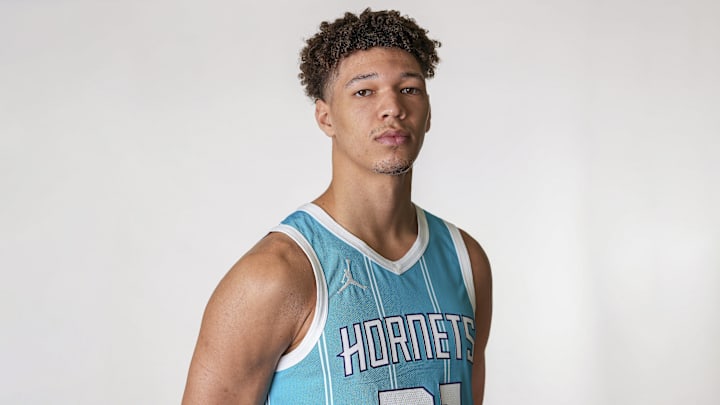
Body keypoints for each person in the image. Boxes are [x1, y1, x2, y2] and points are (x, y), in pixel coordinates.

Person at [182, 8, 492, 405]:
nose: (392, 107)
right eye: (364, 91)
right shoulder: (275, 275)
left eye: (409, 89)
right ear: (325, 117)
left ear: (428, 112)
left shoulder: (466, 260)